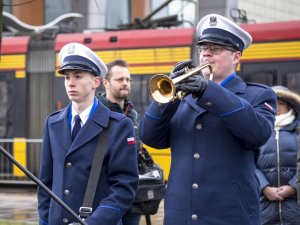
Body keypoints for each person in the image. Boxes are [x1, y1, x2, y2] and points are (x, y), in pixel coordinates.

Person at [139, 14, 277, 225]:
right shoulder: (182, 98)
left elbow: (258, 134)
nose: (206, 54)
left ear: (237, 57)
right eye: (203, 49)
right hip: (181, 217)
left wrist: (210, 91)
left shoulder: (258, 95)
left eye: (216, 49)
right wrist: (168, 97)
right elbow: (149, 136)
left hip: (229, 216)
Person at [37, 43, 139, 225]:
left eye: (78, 76)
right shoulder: (53, 123)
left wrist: (93, 222)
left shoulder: (119, 125)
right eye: (67, 77)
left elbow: (124, 187)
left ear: (96, 82)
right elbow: (45, 183)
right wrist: (45, 220)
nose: (71, 82)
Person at [96, 58, 141, 225]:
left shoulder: (132, 113)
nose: (125, 83)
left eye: (128, 79)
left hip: (132, 196)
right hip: (108, 196)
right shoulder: (97, 112)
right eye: (120, 79)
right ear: (106, 83)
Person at [256, 85, 300, 225]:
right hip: (264, 206)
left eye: (281, 103)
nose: (277, 107)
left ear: (290, 106)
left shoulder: (298, 130)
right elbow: (248, 163)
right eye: (273, 103)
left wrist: (293, 187)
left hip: (295, 206)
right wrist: (264, 187)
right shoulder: (257, 130)